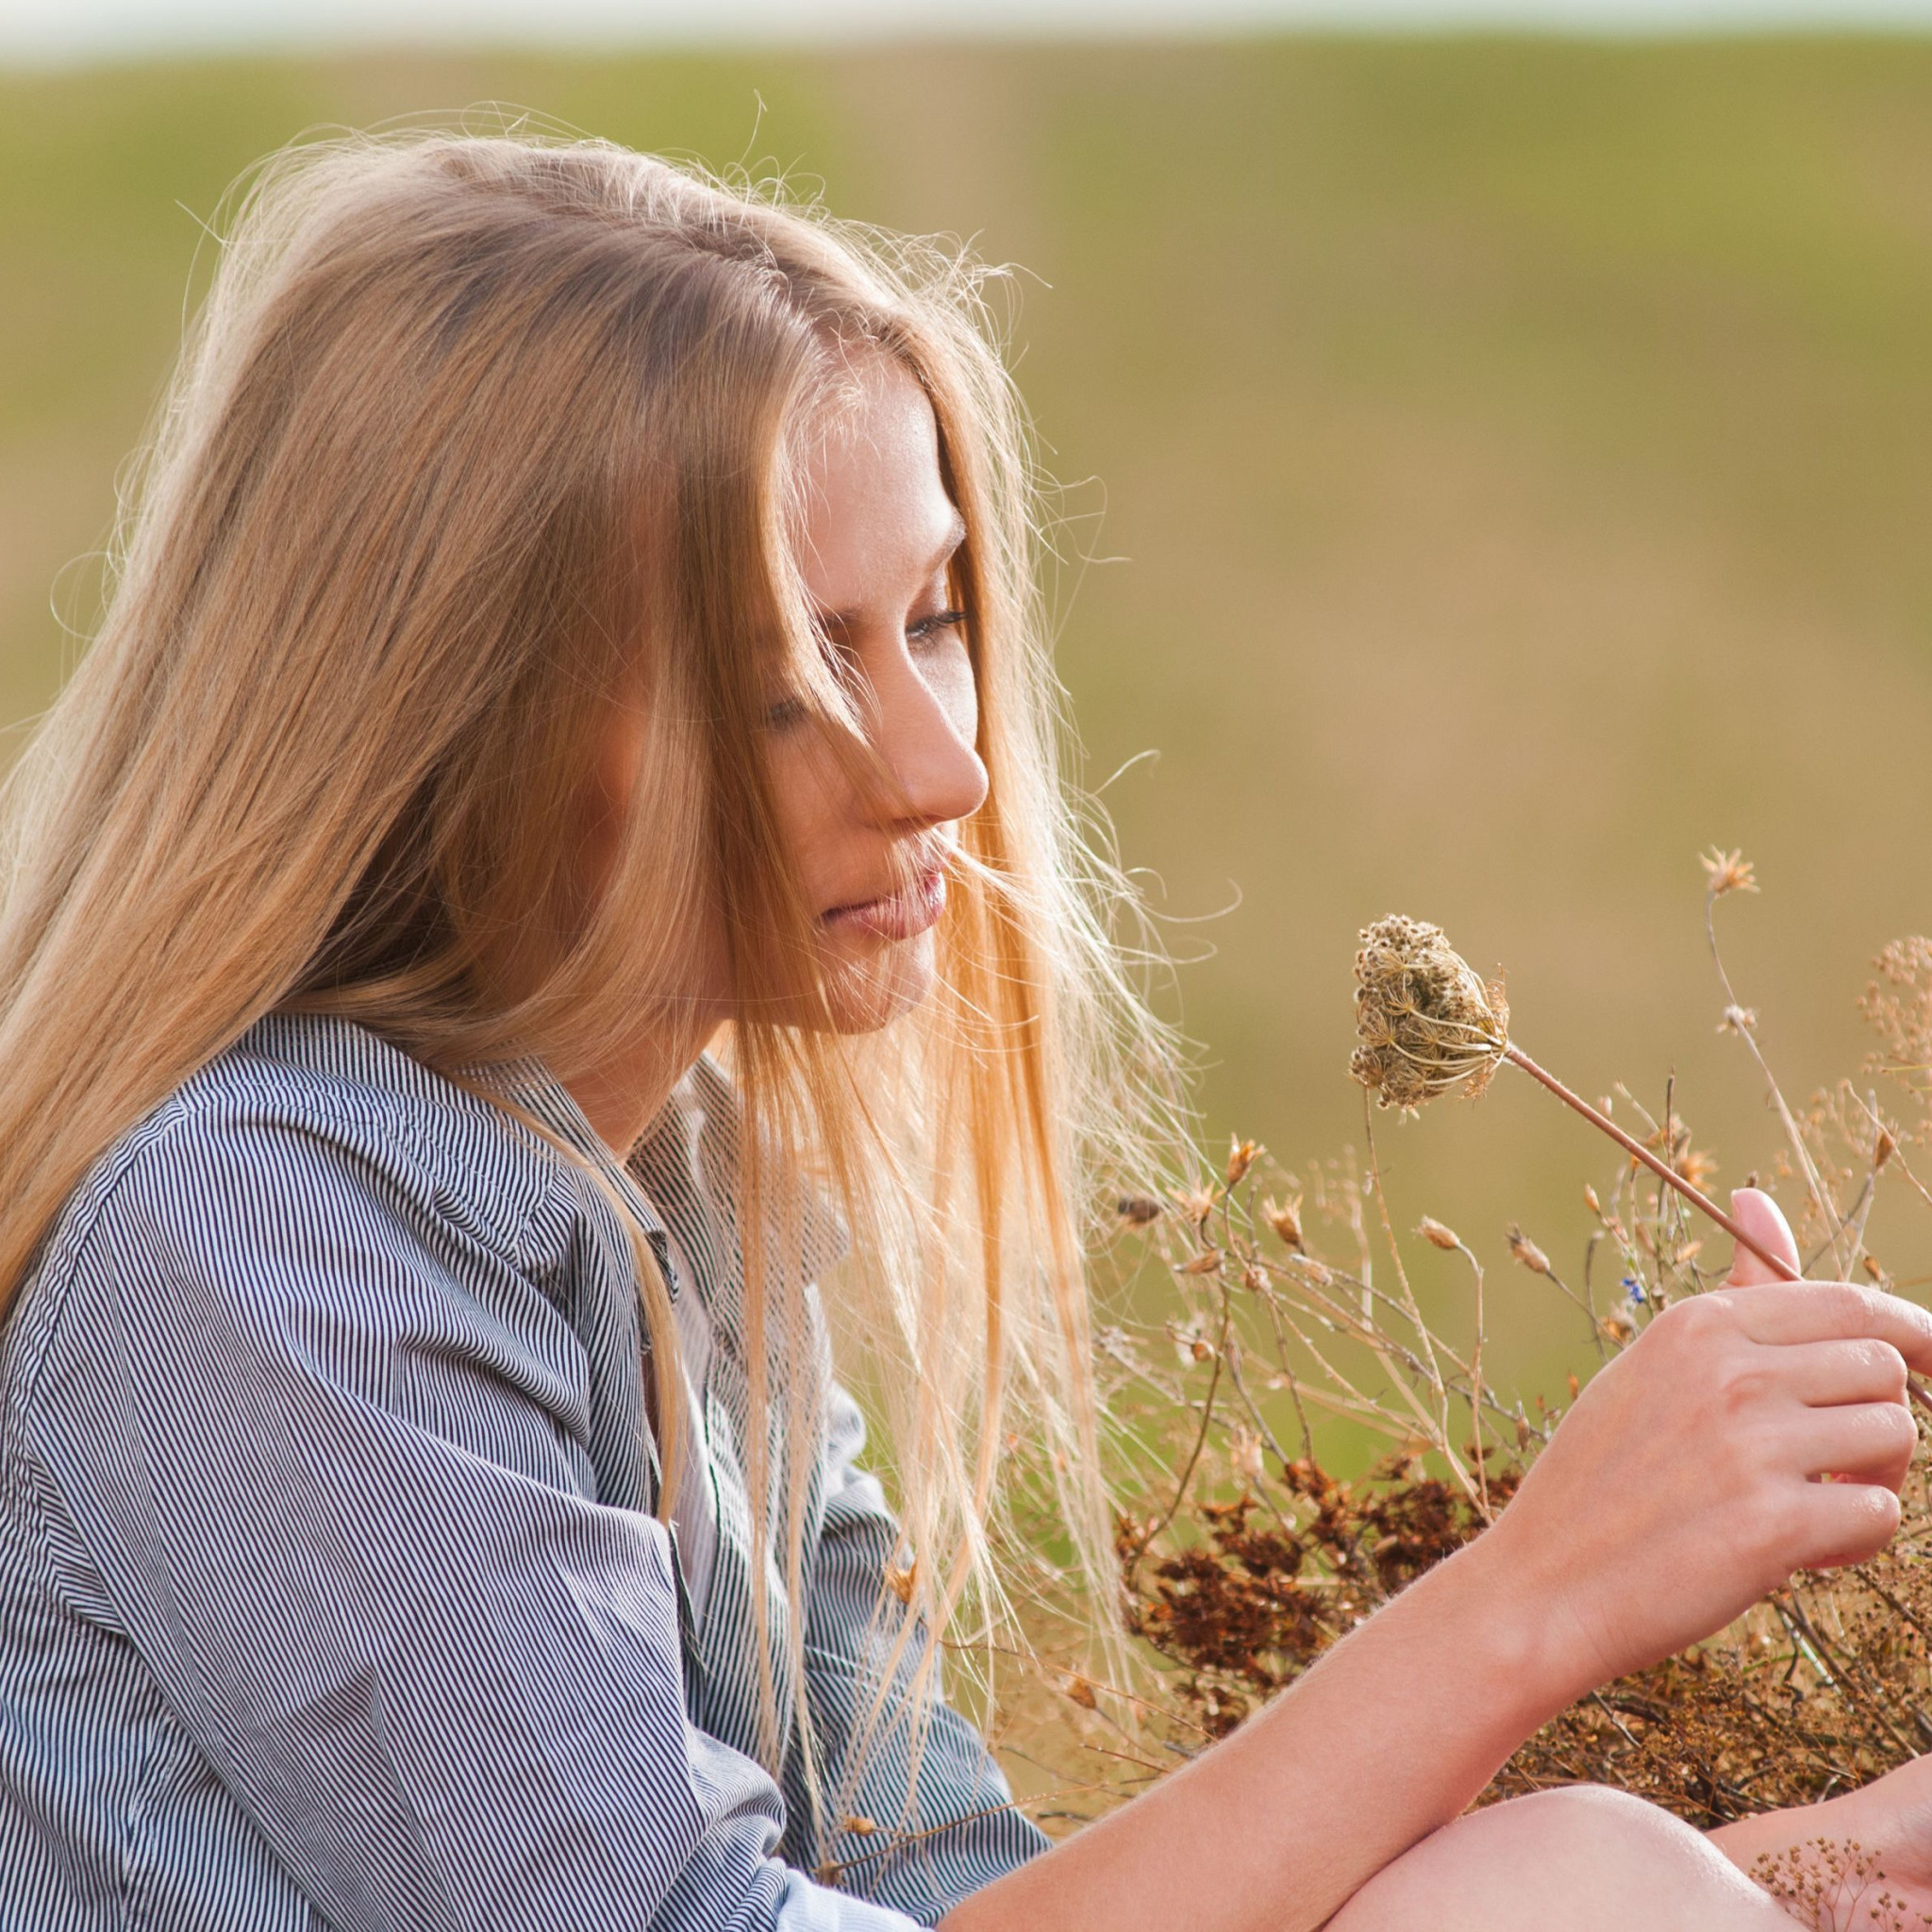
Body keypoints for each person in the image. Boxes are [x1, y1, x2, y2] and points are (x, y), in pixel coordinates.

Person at [0, 125, 1928, 1932]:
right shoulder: (252, 1245)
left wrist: (1817, 1861)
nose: (945, 766)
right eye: (789, 674)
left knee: (1593, 1878)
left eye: (932, 616)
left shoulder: (683, 1197)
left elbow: (946, 1900)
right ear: (465, 717)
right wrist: (1536, 1595)